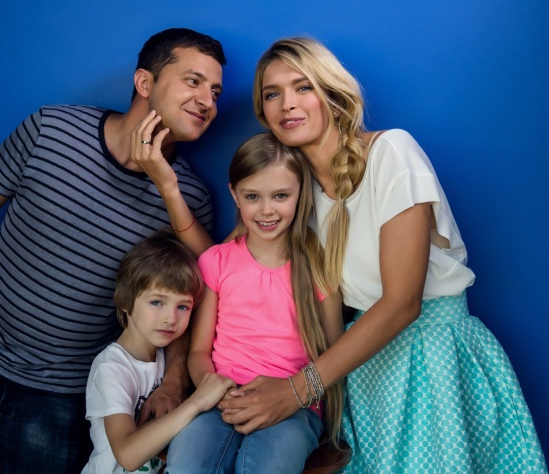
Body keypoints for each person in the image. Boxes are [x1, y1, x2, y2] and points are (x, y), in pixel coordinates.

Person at [217, 37, 548, 473]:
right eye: (272, 94)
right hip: (360, 371)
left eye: (303, 87)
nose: (287, 104)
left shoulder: (392, 152)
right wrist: (167, 186)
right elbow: (224, 262)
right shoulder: (292, 193)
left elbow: (403, 303)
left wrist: (297, 390)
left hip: (432, 362)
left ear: (332, 95)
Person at [0, 27, 225, 473]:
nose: (207, 101)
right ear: (144, 82)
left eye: (215, 92)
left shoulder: (189, 200)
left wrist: (173, 383)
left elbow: (188, 299)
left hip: (61, 396)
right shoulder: (52, 129)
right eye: (193, 81)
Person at [165, 132, 343, 473]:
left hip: (294, 407)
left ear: (301, 194)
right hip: (219, 400)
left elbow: (334, 357)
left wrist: (301, 395)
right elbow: (199, 351)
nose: (266, 210)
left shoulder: (320, 269)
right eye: (252, 196)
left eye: (281, 196)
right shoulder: (216, 262)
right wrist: (214, 391)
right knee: (187, 460)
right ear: (234, 194)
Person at [82, 230, 235, 474]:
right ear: (125, 300)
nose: (170, 318)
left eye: (182, 306)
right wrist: (197, 401)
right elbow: (127, 455)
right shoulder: (112, 368)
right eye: (157, 302)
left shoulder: (167, 360)